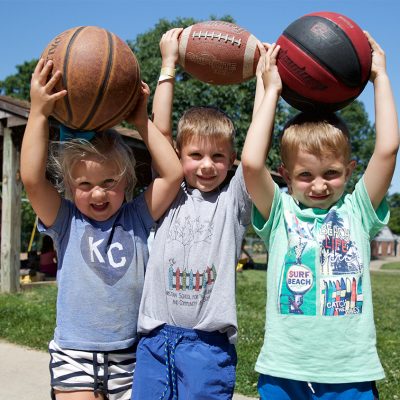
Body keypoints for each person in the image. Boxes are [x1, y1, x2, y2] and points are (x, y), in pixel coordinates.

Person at [241, 32, 399, 400]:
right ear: (285, 174)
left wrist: (381, 78)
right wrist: (271, 91)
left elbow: (388, 149)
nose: (318, 186)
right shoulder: (279, 212)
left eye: (331, 173)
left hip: (349, 373)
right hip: (284, 371)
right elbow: (251, 162)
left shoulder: (358, 210)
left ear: (350, 170)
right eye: (305, 175)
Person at [20, 58, 182, 400]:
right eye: (85, 183)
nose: (97, 192)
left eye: (109, 181)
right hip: (74, 354)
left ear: (127, 181)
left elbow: (172, 175)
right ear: (67, 184)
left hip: (129, 356)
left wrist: (141, 121)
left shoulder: (136, 216)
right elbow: (33, 181)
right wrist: (38, 113)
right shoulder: (66, 221)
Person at [131, 28, 252, 400]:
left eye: (218, 157)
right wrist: (168, 65)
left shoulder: (234, 201)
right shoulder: (169, 192)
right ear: (178, 156)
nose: (206, 166)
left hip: (207, 347)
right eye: (195, 155)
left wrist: (267, 84)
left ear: (231, 161)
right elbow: (161, 130)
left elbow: (255, 157)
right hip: (155, 340)